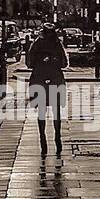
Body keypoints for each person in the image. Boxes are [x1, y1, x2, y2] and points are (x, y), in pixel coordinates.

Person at [27, 21, 68, 156]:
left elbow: (29, 63)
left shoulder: (37, 43)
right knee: (56, 111)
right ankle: (57, 136)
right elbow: (64, 63)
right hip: (55, 79)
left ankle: (43, 139)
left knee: (41, 112)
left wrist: (40, 63)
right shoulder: (57, 44)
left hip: (39, 79)